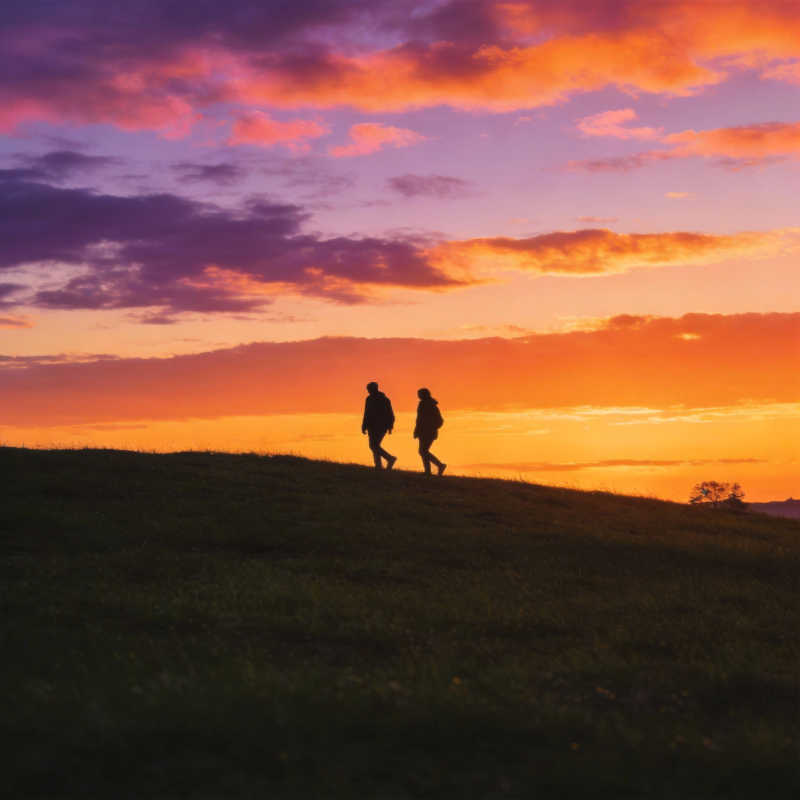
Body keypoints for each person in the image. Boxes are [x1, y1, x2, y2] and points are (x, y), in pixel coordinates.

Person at [362, 382, 397, 470]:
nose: (368, 391)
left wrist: (364, 425)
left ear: (374, 388)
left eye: (369, 389)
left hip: (376, 425)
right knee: (374, 445)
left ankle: (389, 458)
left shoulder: (371, 399)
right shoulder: (385, 399)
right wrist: (390, 426)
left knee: (373, 445)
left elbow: (367, 413)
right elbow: (390, 414)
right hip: (378, 426)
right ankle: (378, 465)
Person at [413, 388, 446, 475]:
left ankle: (439, 466)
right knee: (423, 451)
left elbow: (439, 420)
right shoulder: (425, 405)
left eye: (419, 394)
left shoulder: (429, 406)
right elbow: (419, 420)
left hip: (428, 432)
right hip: (423, 431)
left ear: (424, 395)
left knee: (423, 451)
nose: (418, 396)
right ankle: (428, 471)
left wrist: (431, 428)